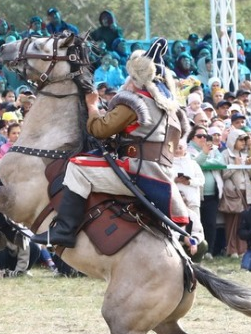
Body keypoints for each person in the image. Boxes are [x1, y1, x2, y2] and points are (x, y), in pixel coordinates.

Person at [34, 47, 185, 251]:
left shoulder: (135, 102)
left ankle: (64, 230)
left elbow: (99, 130)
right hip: (161, 174)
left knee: (76, 167)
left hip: (138, 171)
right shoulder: (171, 110)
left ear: (136, 78)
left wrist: (92, 106)